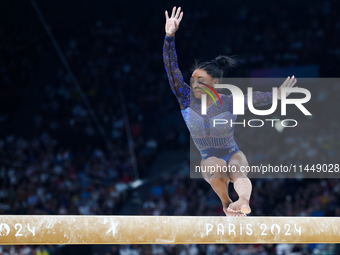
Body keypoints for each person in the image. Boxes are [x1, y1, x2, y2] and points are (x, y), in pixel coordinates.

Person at [163, 6, 297, 216]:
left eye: (201, 80)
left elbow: (252, 99)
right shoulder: (185, 98)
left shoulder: (228, 101)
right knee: (215, 165)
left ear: (214, 82)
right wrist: (169, 37)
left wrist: (276, 96)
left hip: (232, 151)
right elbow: (172, 71)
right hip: (209, 157)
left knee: (236, 167)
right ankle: (226, 204)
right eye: (193, 80)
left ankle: (243, 200)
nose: (195, 84)